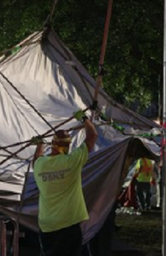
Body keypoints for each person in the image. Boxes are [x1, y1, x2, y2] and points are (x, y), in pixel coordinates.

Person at [32, 107, 98, 256]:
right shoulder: (71, 162)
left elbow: (36, 159)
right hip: (68, 224)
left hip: (47, 225)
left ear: (53, 144)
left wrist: (39, 145)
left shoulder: (41, 165)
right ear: (68, 146)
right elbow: (92, 135)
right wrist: (84, 119)